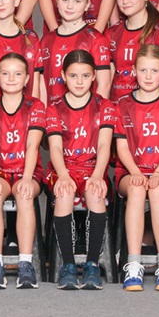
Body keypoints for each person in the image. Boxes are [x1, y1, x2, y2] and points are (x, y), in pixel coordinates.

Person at [114, 44, 159, 292]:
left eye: (154, 71)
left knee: (156, 190)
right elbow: (122, 147)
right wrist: (135, 172)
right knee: (136, 189)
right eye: (143, 70)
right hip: (132, 170)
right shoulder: (123, 103)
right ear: (134, 71)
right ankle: (133, 264)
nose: (148, 76)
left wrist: (158, 173)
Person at [46, 50, 116, 290]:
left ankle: (92, 264)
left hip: (92, 167)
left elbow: (105, 144)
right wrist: (63, 175)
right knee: (64, 193)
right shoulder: (55, 107)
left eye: (85, 76)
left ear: (94, 76)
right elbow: (55, 148)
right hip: (64, 168)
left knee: (96, 193)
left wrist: (97, 174)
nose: (79, 81)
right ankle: (67, 265)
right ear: (63, 76)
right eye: (73, 76)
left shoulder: (104, 106)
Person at [0, 53, 46, 289]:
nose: (11, 78)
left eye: (17, 74)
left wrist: (27, 178)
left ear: (27, 78)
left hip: (26, 171)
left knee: (25, 195)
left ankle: (26, 264)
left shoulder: (35, 106)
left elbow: (33, 145)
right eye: (5, 73)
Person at [35, 0, 112, 104]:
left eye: (77, 1)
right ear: (56, 1)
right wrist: (44, 113)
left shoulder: (96, 39)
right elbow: (42, 84)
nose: (70, 6)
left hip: (86, 114)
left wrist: (95, 112)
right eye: (65, 0)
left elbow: (104, 85)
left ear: (87, 5)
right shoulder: (46, 40)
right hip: (53, 114)